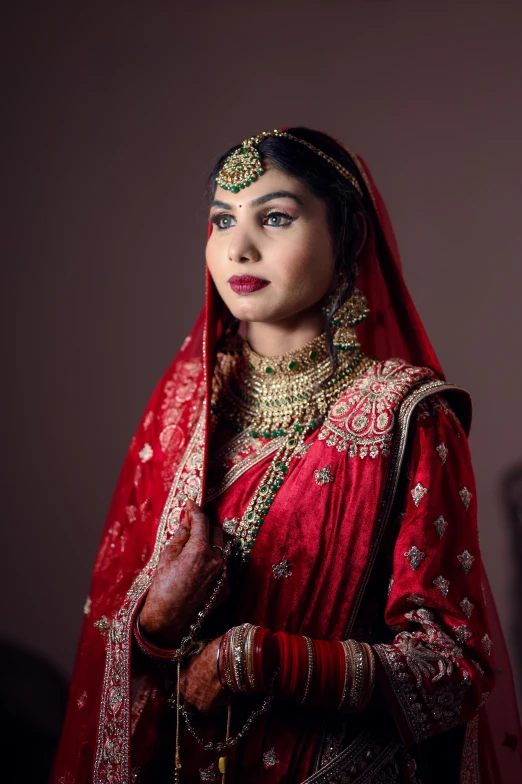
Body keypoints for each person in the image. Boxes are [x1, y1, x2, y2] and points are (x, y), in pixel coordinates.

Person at [52, 128, 522, 784]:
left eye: (275, 217)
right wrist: (155, 623)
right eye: (222, 220)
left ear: (349, 236)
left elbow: (454, 671)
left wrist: (261, 658)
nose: (238, 247)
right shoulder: (186, 408)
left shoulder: (407, 418)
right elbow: (119, 643)